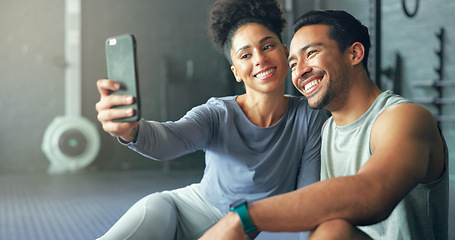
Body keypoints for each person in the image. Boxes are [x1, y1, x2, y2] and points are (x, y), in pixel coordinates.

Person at [200, 10, 448, 240]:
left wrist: (244, 217)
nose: (300, 72)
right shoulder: (324, 131)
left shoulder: (404, 117)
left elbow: (372, 193)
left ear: (354, 54)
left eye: (311, 53)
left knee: (334, 230)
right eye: (294, 63)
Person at [95, 1, 327, 239]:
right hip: (175, 212)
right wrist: (130, 130)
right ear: (236, 71)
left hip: (235, 231)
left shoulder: (309, 117)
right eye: (245, 54)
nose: (259, 59)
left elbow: (307, 201)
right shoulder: (217, 113)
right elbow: (170, 139)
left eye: (267, 46)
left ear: (285, 52)